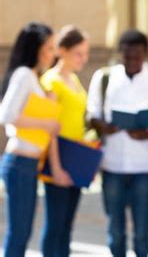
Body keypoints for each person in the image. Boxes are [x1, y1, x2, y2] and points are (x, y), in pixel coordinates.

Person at [86, 29, 148, 257]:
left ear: (145, 54)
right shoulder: (104, 78)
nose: (131, 61)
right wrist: (103, 126)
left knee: (142, 233)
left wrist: (147, 134)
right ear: (121, 54)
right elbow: (91, 114)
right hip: (112, 165)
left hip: (143, 167)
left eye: (137, 56)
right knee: (115, 231)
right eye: (127, 56)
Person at [0, 22, 59, 256]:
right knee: (19, 234)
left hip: (29, 164)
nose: (52, 54)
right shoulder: (24, 74)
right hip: (20, 164)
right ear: (35, 48)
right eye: (49, 48)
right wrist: (47, 123)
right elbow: (6, 115)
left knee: (23, 233)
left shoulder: (35, 76)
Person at [39, 25, 90, 257]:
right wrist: (56, 168)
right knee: (55, 226)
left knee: (67, 226)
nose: (84, 58)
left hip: (77, 159)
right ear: (62, 50)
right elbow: (50, 130)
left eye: (86, 53)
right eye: (78, 53)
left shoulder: (75, 80)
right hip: (57, 159)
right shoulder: (51, 81)